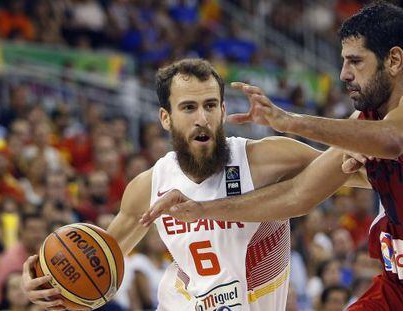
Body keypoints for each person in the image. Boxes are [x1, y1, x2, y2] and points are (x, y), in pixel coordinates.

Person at [21, 59, 366, 311]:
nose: (202, 117)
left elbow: (358, 175)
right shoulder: (148, 186)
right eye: (188, 107)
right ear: (165, 117)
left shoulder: (265, 159)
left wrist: (367, 151)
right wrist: (46, 283)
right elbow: (102, 269)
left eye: (210, 105)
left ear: (222, 110)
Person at [141, 2, 403, 310]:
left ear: (395, 60)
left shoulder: (377, 132)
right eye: (344, 61)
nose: (344, 74)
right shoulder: (366, 122)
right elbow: (298, 194)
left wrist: (291, 122)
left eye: (355, 61)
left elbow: (392, 140)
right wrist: (202, 210)